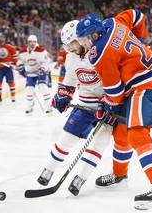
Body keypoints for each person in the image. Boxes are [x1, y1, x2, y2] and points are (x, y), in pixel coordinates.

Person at [76, 9, 152, 210]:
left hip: (144, 86)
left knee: (137, 134)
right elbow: (136, 15)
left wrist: (109, 106)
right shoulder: (113, 22)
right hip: (150, 75)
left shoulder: (99, 52)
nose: (84, 44)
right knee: (121, 131)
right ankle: (120, 176)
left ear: (94, 35)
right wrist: (140, 38)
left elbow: (115, 90)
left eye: (85, 39)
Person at [37, 20, 115, 196]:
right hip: (85, 104)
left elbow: (114, 81)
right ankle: (48, 170)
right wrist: (63, 95)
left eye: (71, 44)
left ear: (81, 39)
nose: (69, 49)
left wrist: (108, 101)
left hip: (107, 106)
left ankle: (80, 179)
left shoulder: (100, 52)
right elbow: (70, 80)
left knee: (99, 143)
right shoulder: (71, 57)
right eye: (67, 46)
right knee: (67, 137)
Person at [17, 35, 53, 114]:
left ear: (36, 42)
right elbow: (20, 62)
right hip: (30, 73)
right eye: (30, 42)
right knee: (29, 89)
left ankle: (48, 106)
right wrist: (21, 69)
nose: (32, 43)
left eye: (34, 42)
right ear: (28, 42)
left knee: (42, 87)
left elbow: (46, 61)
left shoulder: (41, 50)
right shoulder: (23, 51)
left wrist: (42, 69)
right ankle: (29, 106)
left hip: (40, 72)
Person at [0, 32, 18, 103]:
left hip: (8, 67)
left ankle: (13, 96)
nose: (0, 39)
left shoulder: (10, 45)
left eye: (1, 37)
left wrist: (14, 62)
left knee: (10, 82)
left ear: (4, 38)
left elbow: (15, 55)